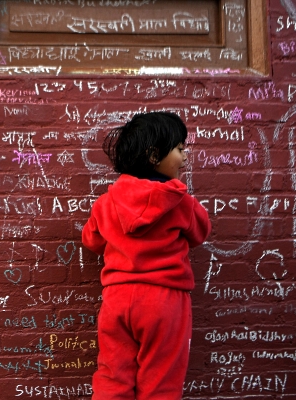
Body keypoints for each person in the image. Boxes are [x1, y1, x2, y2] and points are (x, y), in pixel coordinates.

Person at [82, 112, 211, 399]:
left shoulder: (106, 203)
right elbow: (201, 233)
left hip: (117, 299)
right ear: (155, 155)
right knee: (161, 381)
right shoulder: (181, 203)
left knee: (112, 377)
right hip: (164, 302)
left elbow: (91, 240)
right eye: (180, 149)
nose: (185, 156)